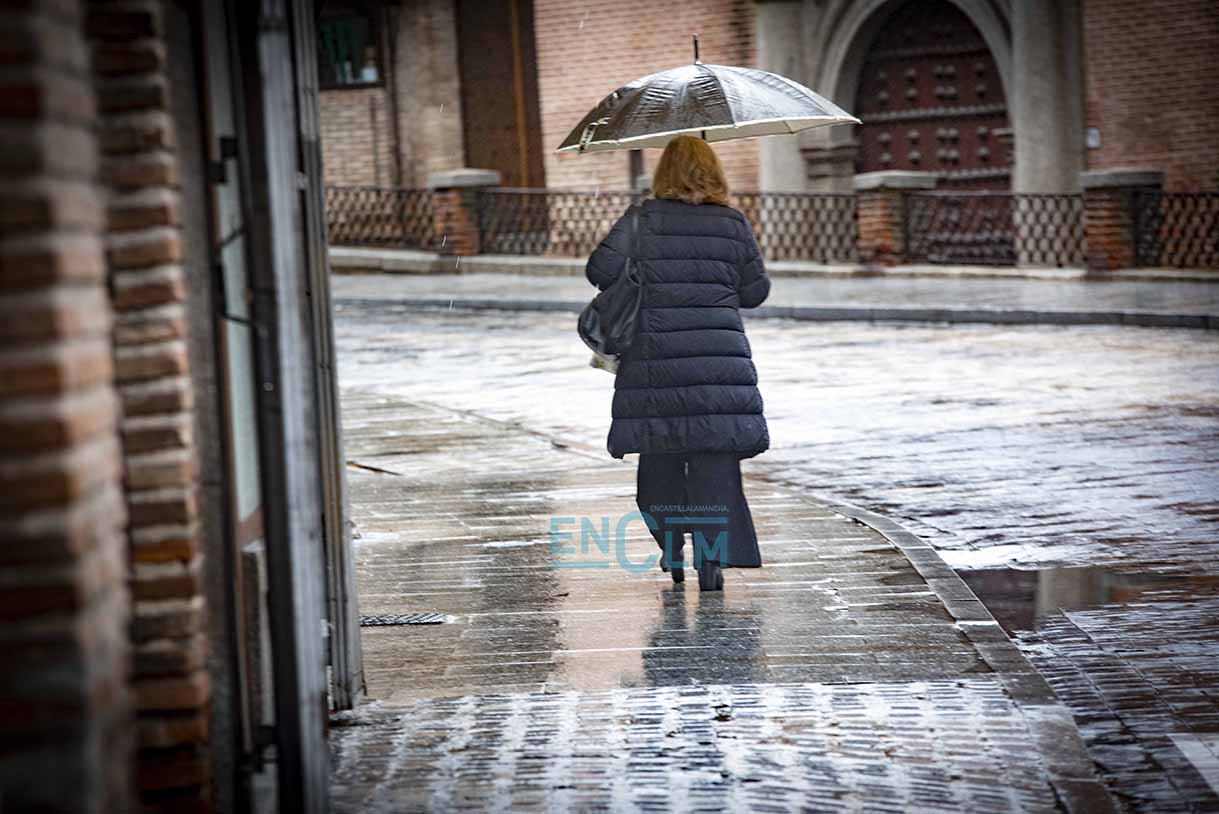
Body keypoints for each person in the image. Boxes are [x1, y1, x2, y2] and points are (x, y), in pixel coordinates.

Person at [585, 134, 771, 592]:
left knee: (661, 455)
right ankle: (713, 562)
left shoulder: (641, 221)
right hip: (718, 365)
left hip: (654, 362)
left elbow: (599, 272)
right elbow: (755, 292)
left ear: (663, 175)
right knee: (714, 462)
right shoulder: (731, 223)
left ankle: (671, 548)